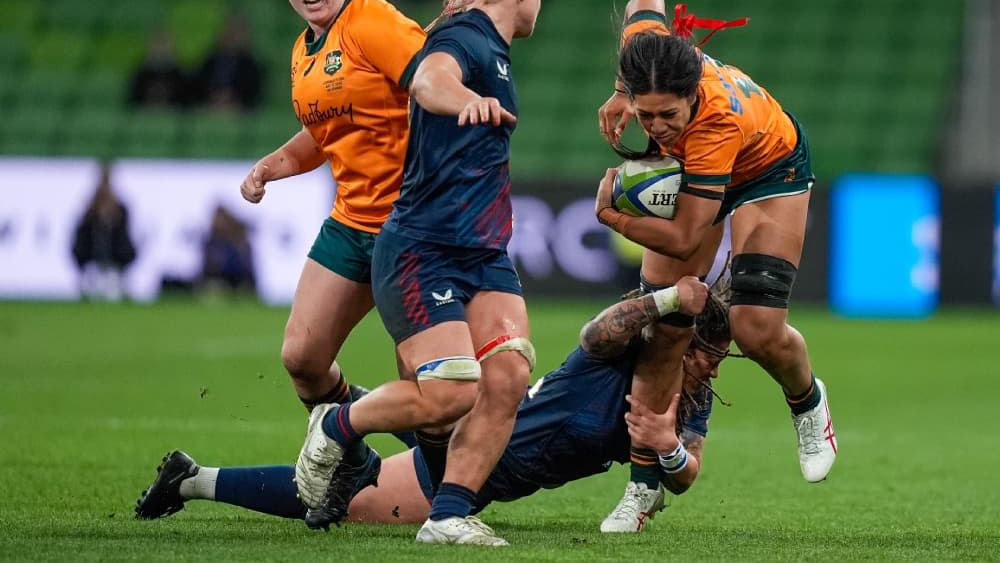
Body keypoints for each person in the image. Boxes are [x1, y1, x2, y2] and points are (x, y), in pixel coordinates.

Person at [292, 0, 545, 545]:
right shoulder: (464, 38)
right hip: (421, 248)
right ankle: (337, 426)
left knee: (509, 375)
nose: (541, 0)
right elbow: (429, 78)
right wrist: (465, 100)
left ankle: (448, 516)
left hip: (482, 251)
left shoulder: (494, 46)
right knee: (451, 391)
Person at [136, 276, 727, 531]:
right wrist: (666, 299)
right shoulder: (619, 358)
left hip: (488, 463)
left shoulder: (685, 401)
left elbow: (687, 473)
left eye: (719, 358)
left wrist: (669, 450)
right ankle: (192, 480)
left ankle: (346, 416)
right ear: (680, 339)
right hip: (477, 456)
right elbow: (596, 329)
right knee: (350, 504)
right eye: (702, 351)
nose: (708, 367)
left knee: (387, 444)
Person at [594, 0, 837, 531]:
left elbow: (682, 238)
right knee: (664, 325)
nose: (653, 128)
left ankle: (806, 402)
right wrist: (619, 91)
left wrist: (610, 215)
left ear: (690, 97)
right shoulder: (649, 53)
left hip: (768, 169)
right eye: (644, 113)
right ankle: (642, 487)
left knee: (756, 329)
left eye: (666, 115)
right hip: (700, 169)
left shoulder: (712, 123)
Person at [237, 0, 426, 488]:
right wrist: (273, 165)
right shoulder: (304, 51)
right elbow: (324, 133)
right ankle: (356, 459)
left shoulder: (372, 21)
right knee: (302, 359)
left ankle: (449, 468)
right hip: (351, 222)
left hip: (410, 226)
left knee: (427, 382)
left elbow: (434, 80)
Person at [72, 163, 137, 301]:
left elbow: (124, 236)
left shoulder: (121, 208)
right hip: (91, 252)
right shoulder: (90, 209)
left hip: (116, 253)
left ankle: (117, 282)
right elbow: (83, 234)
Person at [194, 15, 265, 113]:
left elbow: (254, 93)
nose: (232, 36)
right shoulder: (210, 61)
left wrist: (233, 99)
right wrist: (214, 98)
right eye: (229, 31)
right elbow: (198, 86)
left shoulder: (251, 66)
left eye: (236, 33)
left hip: (238, 112)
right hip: (210, 109)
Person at [126, 29, 191, 110]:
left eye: (164, 44)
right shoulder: (142, 73)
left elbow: (186, 102)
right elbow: (132, 101)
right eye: (158, 43)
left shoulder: (179, 74)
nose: (161, 48)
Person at [199, 204, 255, 295]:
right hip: (218, 282)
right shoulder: (211, 242)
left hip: (240, 281)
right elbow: (206, 269)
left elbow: (247, 268)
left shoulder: (239, 240)